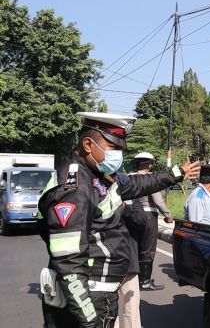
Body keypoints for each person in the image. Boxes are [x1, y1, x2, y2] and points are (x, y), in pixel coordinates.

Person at [37, 112, 199, 328]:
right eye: (114, 148)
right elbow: (68, 262)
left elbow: (138, 184)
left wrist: (175, 173)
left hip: (102, 292)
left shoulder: (99, 174)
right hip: (89, 297)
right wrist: (89, 317)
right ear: (88, 144)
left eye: (122, 149)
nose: (119, 155)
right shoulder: (75, 188)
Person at [131, 152, 174, 291]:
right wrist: (168, 215)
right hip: (148, 216)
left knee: (136, 248)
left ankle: (137, 279)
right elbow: (158, 200)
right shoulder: (149, 178)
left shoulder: (130, 178)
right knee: (148, 250)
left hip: (132, 215)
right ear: (149, 165)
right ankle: (145, 281)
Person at [114, 203, 144, 328]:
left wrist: (124, 207)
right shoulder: (93, 190)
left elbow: (141, 220)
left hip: (128, 266)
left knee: (130, 312)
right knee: (104, 313)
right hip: (100, 266)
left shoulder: (130, 192)